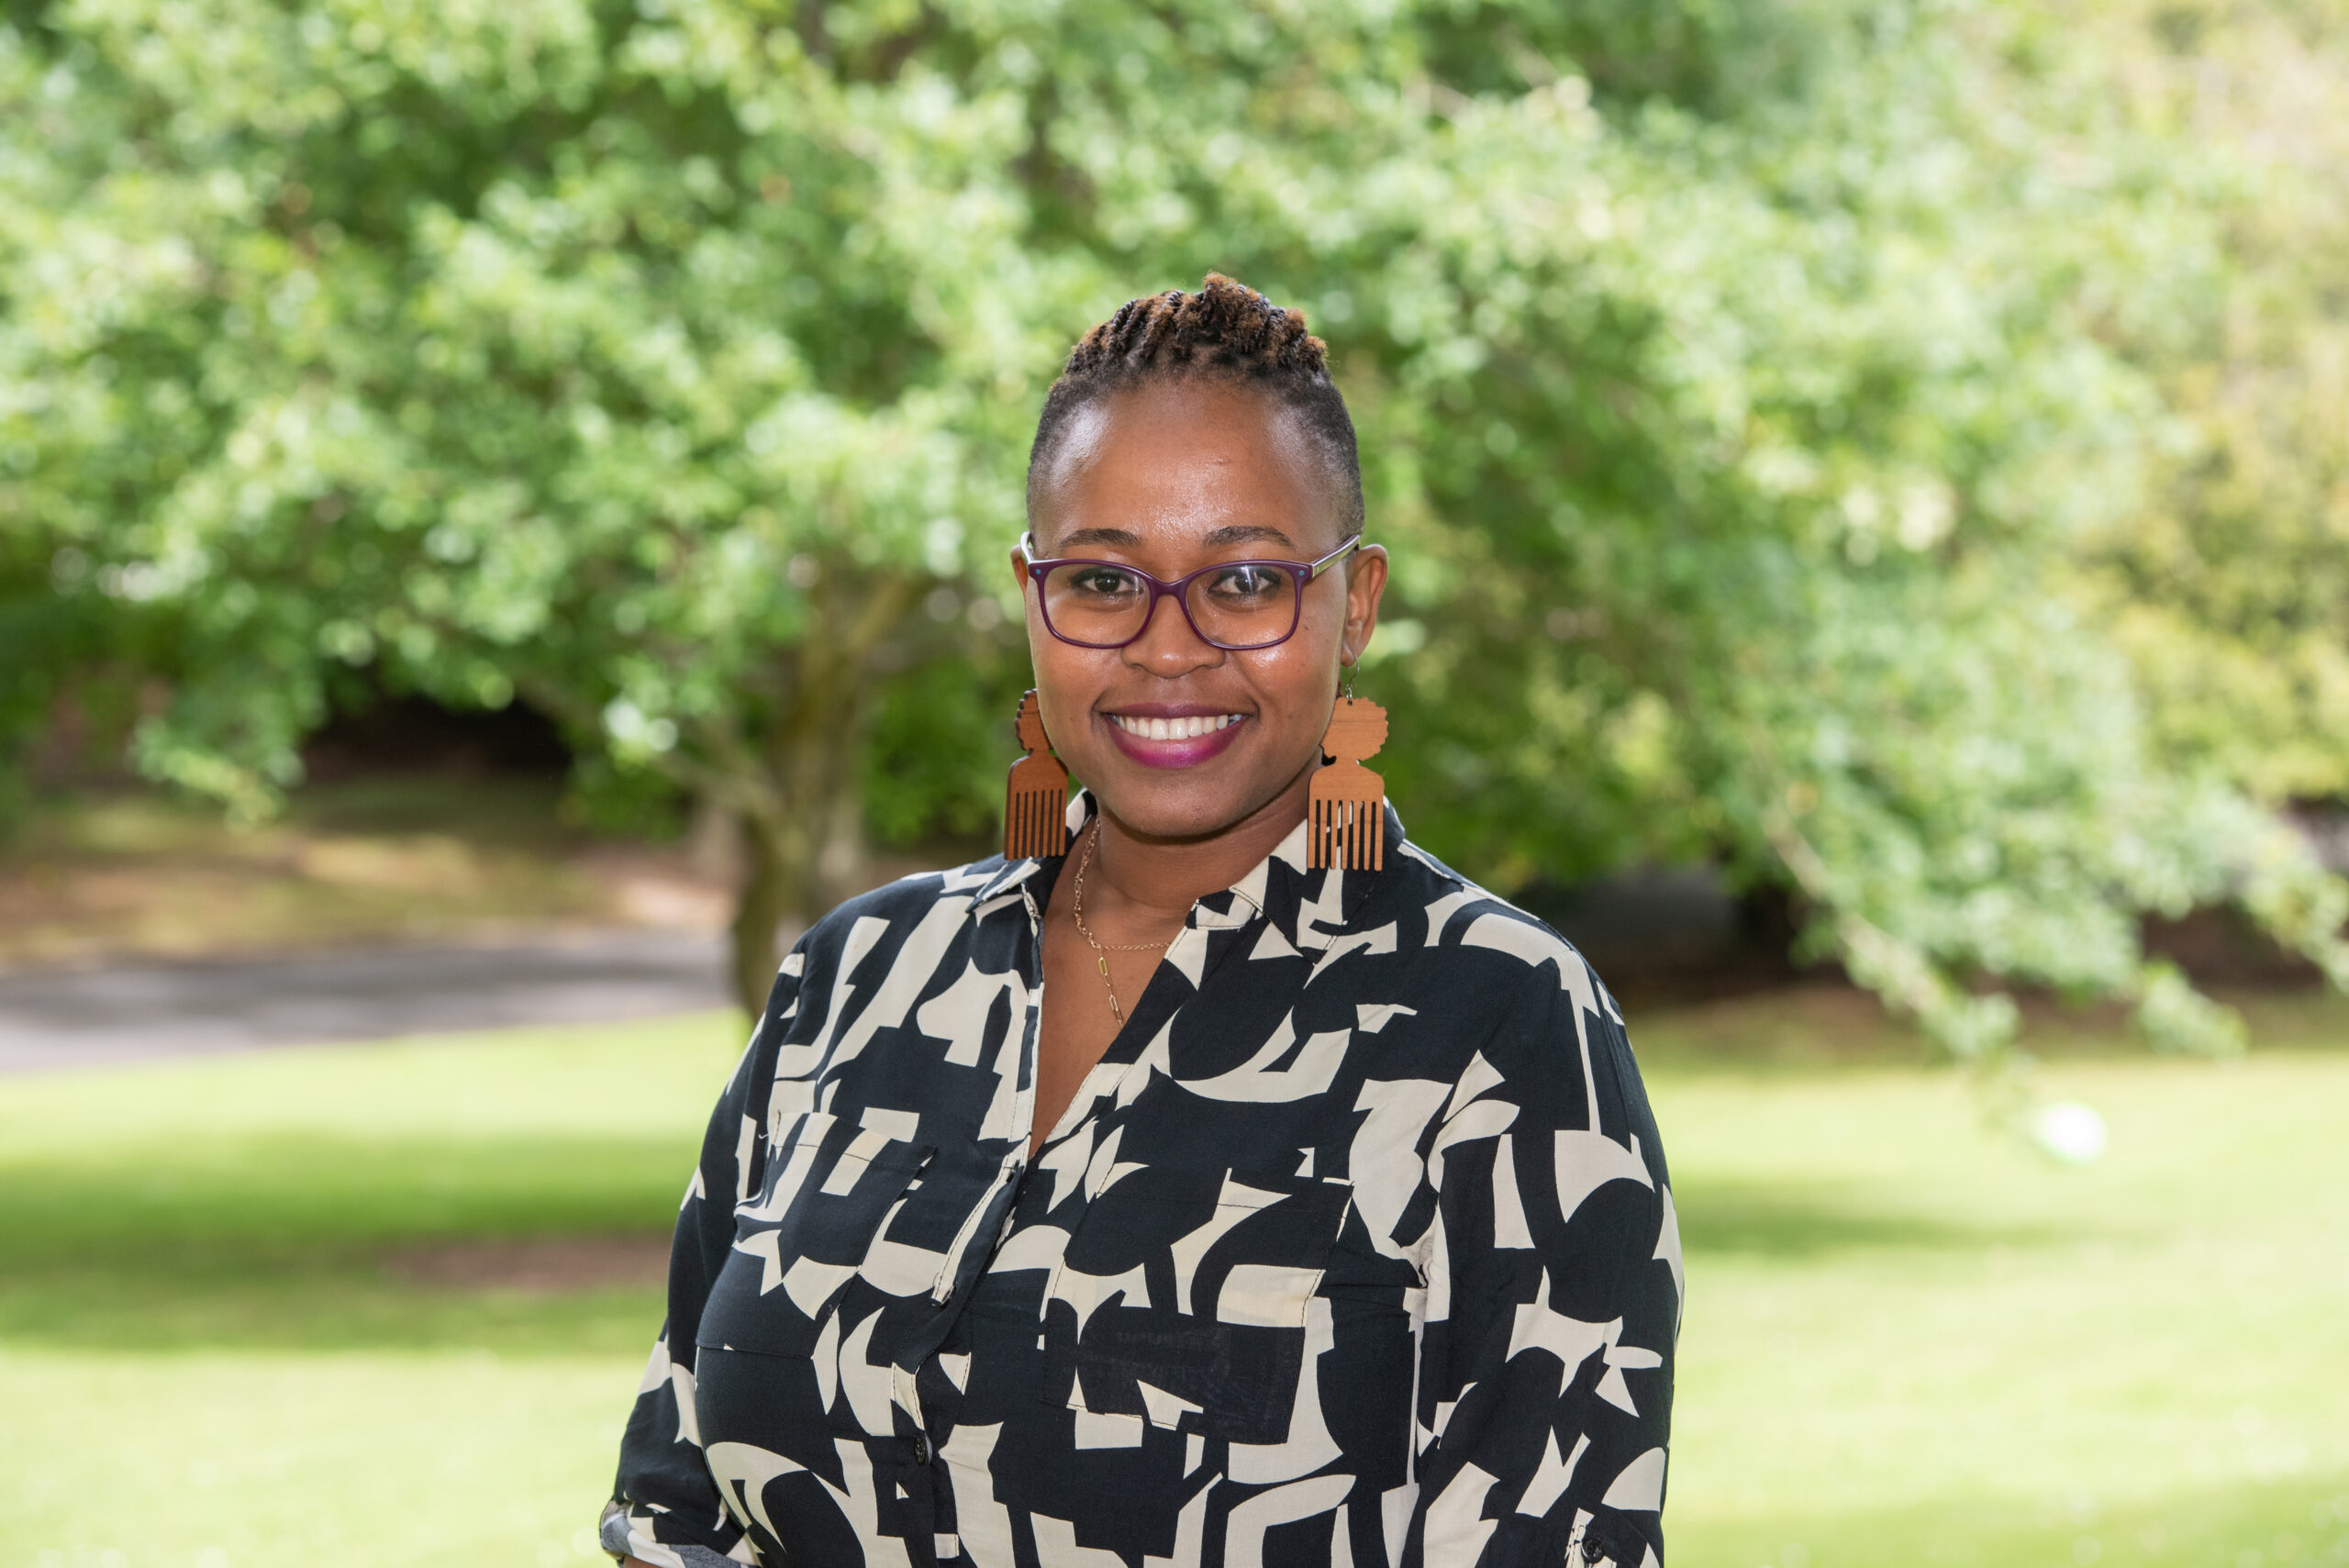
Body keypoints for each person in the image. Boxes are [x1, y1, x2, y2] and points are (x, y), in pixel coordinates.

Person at [600, 275, 1680, 1568]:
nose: (1169, 647)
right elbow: (672, 1509)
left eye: (1247, 580)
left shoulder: (1500, 1024)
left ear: (1358, 602)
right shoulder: (858, 980)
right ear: (1032, 594)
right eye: (1105, 579)